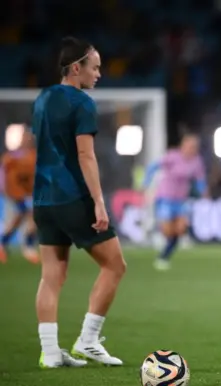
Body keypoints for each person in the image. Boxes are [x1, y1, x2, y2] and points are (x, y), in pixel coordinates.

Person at [32, 36, 126, 368]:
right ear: (77, 68)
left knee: (52, 274)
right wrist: (98, 202)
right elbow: (85, 155)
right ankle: (88, 340)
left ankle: (51, 353)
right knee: (115, 265)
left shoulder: (42, 99)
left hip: (42, 197)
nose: (99, 74)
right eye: (95, 67)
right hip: (72, 195)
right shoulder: (82, 102)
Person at [142, 133, 206, 270]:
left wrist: (203, 191)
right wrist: (146, 182)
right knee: (168, 230)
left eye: (195, 147)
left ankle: (164, 257)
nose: (192, 149)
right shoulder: (172, 156)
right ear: (183, 145)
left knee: (180, 229)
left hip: (180, 200)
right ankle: (156, 235)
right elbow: (153, 166)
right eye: (190, 146)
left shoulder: (196, 161)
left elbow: (200, 178)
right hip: (165, 197)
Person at [0, 125, 39, 264]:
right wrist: (5, 189)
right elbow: (4, 175)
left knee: (22, 218)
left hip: (29, 193)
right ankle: (28, 246)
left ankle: (4, 243)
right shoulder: (11, 157)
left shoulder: (34, 155)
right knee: (27, 215)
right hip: (15, 193)